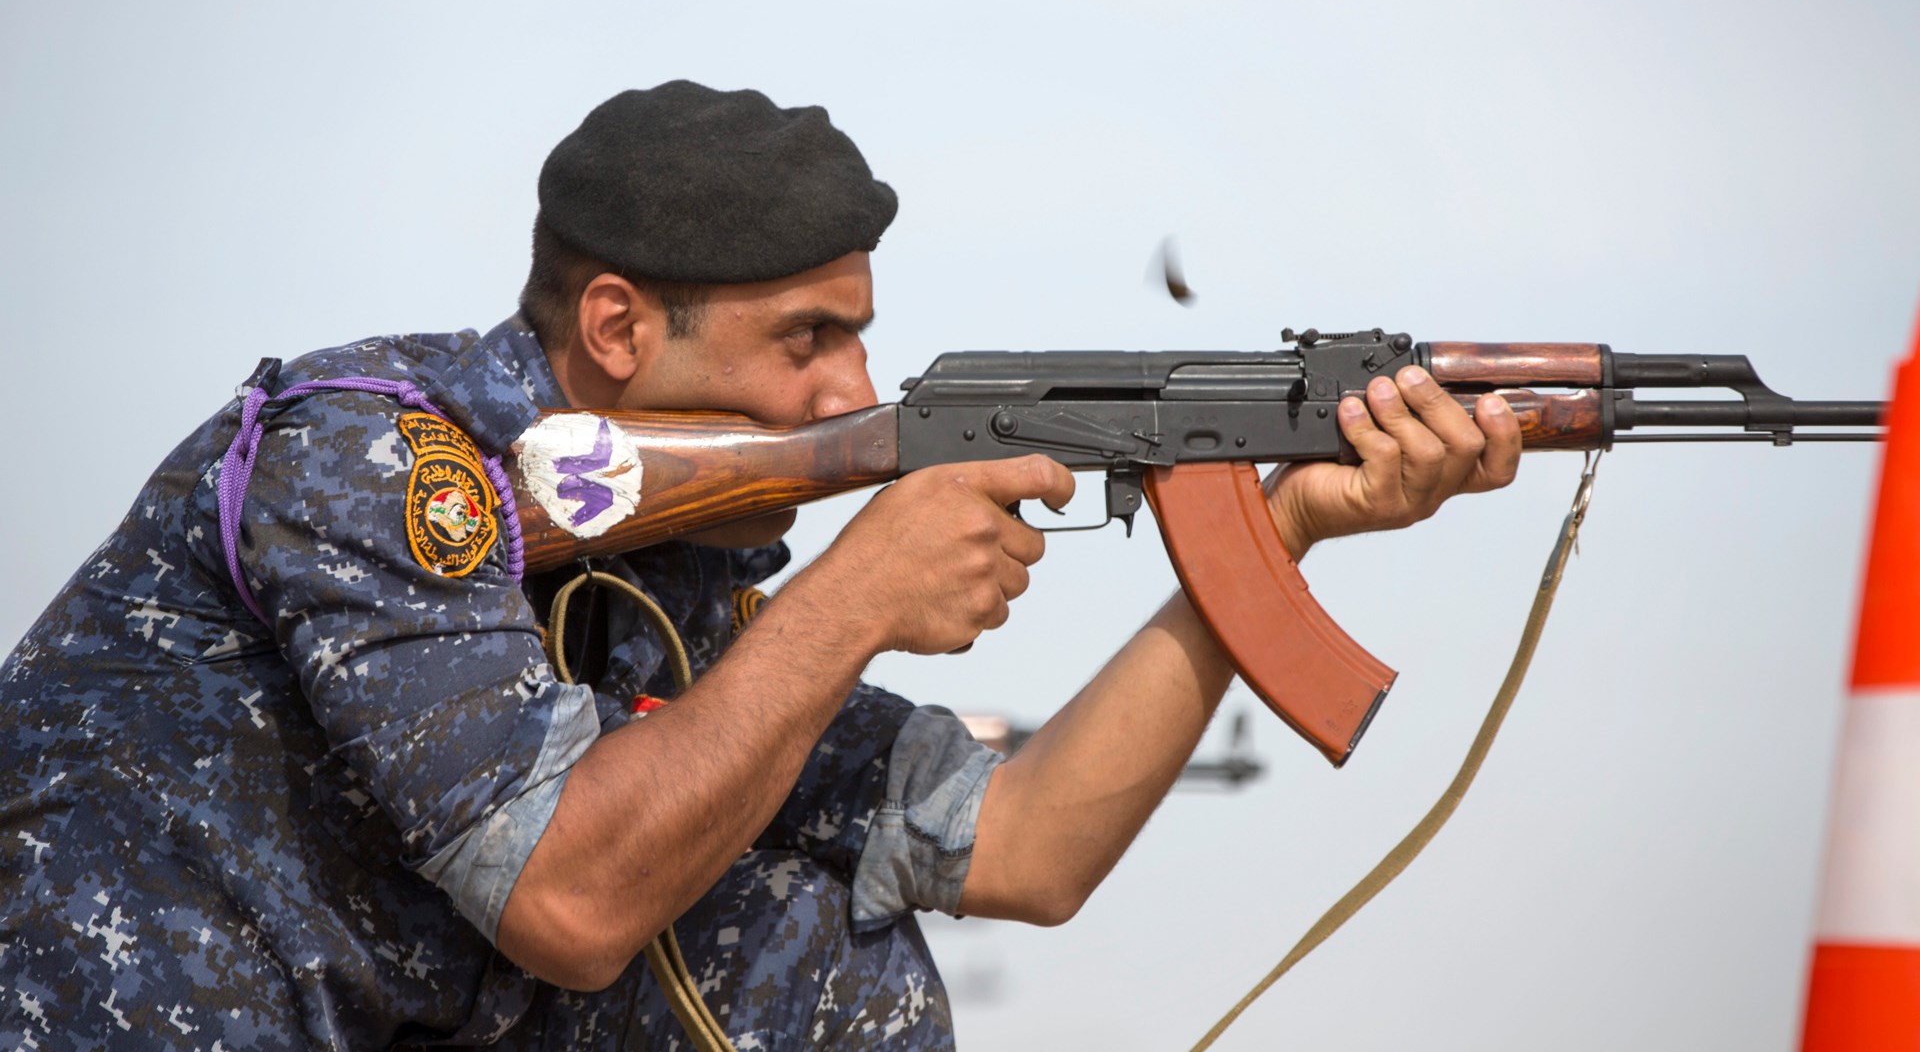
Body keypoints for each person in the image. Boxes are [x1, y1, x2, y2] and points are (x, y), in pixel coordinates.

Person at [0, 81, 1521, 1050]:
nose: (847, 391)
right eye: (805, 340)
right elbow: (571, 900)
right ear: (614, 330)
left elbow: (1027, 843)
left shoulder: (684, 573)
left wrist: (1279, 529)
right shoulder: (376, 457)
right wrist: (857, 593)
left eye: (857, 333)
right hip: (123, 1013)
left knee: (830, 966)